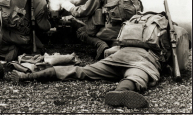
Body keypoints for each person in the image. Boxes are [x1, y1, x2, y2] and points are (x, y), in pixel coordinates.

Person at [10, 23, 189, 108]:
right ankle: (120, 92)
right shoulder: (170, 30)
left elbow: (114, 46)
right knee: (137, 76)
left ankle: (29, 76)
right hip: (143, 59)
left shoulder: (136, 24)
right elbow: (174, 61)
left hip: (119, 55)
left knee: (81, 71)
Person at [60, 0, 142, 60]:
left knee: (81, 31)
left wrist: (69, 7)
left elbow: (82, 12)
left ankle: (101, 45)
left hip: (111, 32)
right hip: (128, 29)